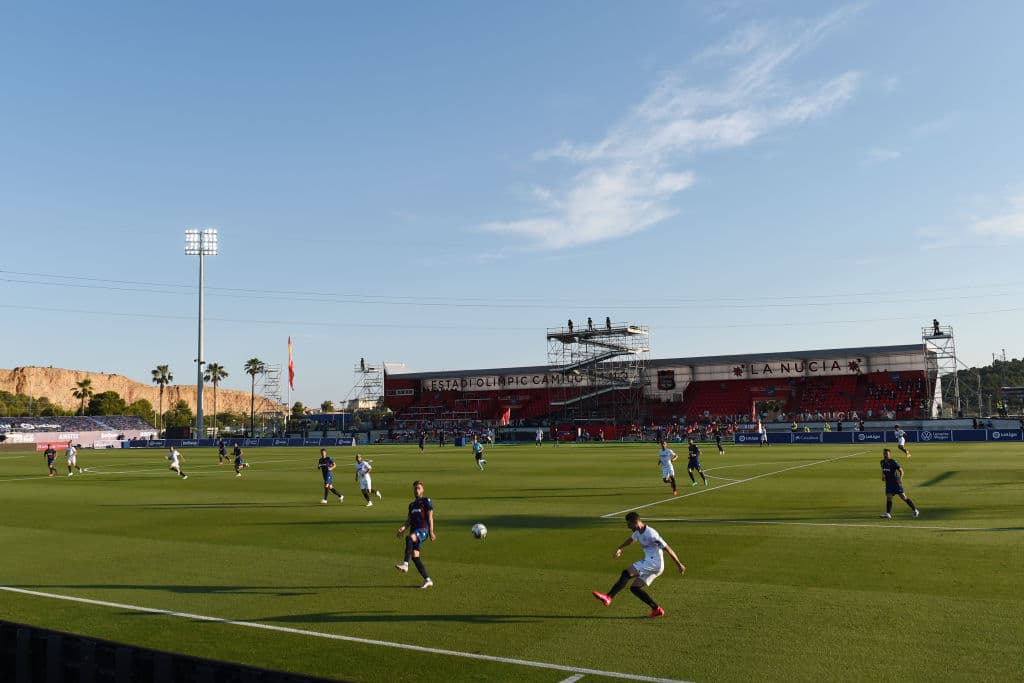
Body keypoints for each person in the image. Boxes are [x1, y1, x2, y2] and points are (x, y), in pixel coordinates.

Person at [591, 511, 686, 618]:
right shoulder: (637, 532)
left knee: (627, 573)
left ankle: (608, 597)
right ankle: (656, 609)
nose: (628, 527)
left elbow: (667, 548)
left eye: (629, 524)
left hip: (654, 562)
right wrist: (620, 548)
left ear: (636, 522)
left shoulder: (651, 534)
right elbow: (631, 540)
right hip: (654, 565)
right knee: (635, 588)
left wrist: (679, 564)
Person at [395, 480, 435, 589]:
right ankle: (428, 580)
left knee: (409, 538)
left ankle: (405, 565)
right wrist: (403, 528)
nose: (417, 490)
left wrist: (431, 531)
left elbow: (430, 517)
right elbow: (409, 520)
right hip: (415, 531)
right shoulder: (411, 505)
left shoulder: (426, 501)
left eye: (419, 488)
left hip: (423, 530)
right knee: (415, 557)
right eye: (415, 488)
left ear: (422, 490)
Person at [879, 448, 919, 519]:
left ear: (889, 454)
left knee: (903, 497)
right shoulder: (882, 462)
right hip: (888, 484)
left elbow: (901, 471)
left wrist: (900, 479)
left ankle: (915, 510)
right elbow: (883, 470)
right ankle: (888, 514)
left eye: (887, 454)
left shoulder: (893, 462)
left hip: (896, 483)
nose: (885, 455)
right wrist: (883, 476)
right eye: (884, 453)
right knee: (889, 497)